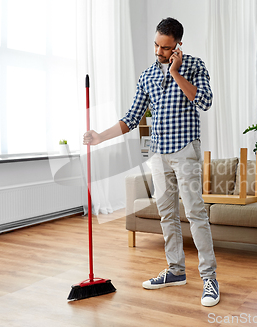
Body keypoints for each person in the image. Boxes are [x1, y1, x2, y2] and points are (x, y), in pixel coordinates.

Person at [83, 17, 219, 307]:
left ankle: (209, 278)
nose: (159, 51)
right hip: (157, 153)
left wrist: (176, 73)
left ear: (178, 45)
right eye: (156, 45)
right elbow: (131, 118)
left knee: (195, 214)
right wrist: (99, 137)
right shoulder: (146, 76)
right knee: (167, 214)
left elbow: (205, 101)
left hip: (185, 149)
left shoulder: (194, 65)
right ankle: (175, 270)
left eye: (165, 47)